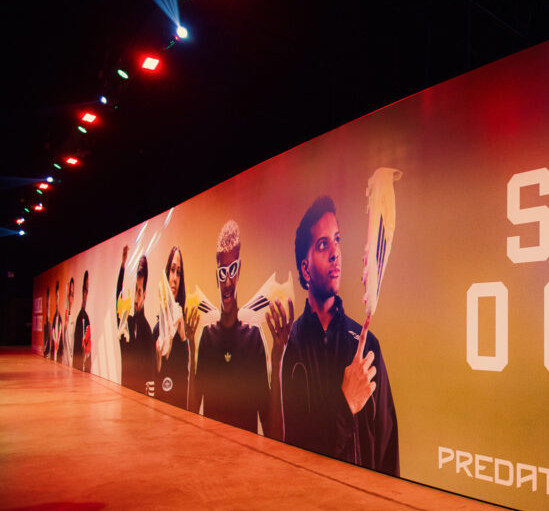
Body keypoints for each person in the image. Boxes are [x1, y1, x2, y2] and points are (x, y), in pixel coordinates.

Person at [281, 196, 398, 475]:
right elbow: (294, 456)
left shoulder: (367, 346)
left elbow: (387, 450)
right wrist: (347, 404)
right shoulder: (289, 346)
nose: (335, 253)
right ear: (305, 269)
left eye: (337, 240)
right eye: (323, 245)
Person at [187, 221, 288, 438]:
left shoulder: (254, 337)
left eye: (232, 270)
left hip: (245, 457)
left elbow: (273, 433)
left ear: (239, 270)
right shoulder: (207, 337)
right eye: (222, 273)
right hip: (212, 454)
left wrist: (277, 359)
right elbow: (191, 415)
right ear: (216, 277)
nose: (227, 282)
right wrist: (190, 349)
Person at [153, 247, 189, 408]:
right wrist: (158, 359)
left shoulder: (185, 329)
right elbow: (153, 381)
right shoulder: (156, 330)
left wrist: (183, 338)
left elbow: (187, 381)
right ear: (167, 273)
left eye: (179, 273)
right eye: (172, 270)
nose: (174, 278)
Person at [117, 248, 156, 394]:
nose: (136, 298)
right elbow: (118, 300)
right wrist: (123, 266)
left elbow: (151, 375)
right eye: (135, 291)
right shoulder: (127, 322)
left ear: (144, 295)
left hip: (138, 400)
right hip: (123, 393)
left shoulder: (147, 331)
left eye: (139, 292)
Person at [72, 271, 92, 372]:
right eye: (84, 290)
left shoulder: (87, 318)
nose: (85, 294)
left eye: (87, 291)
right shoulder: (79, 318)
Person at [57, 278, 74, 366]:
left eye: (72, 295)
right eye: (69, 295)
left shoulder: (73, 321)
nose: (70, 298)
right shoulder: (65, 319)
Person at [51, 280, 62, 362]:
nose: (57, 299)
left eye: (59, 296)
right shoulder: (55, 318)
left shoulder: (60, 319)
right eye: (56, 296)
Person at [42, 286, 52, 358]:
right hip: (47, 322)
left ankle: (47, 351)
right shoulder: (46, 325)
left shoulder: (49, 324)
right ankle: (46, 351)